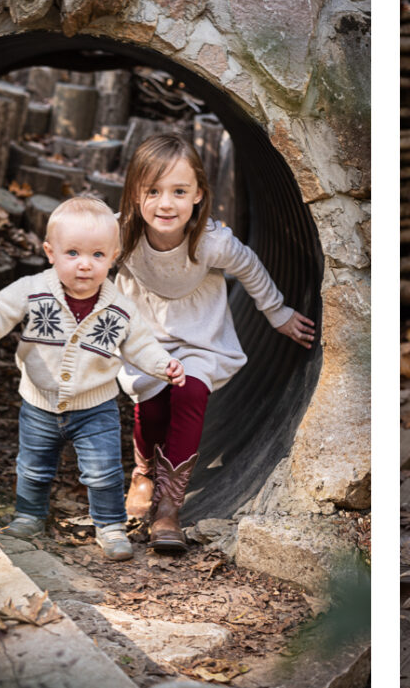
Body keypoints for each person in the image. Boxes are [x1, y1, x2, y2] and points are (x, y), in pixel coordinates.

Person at [115, 133, 316, 552]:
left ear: (198, 196)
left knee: (189, 393)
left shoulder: (211, 241)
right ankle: (143, 471)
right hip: (146, 337)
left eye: (179, 191)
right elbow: (87, 261)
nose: (166, 203)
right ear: (135, 194)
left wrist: (277, 313)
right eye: (153, 191)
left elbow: (251, 267)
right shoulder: (123, 238)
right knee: (150, 409)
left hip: (200, 338)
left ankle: (169, 508)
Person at [0, 197, 186, 561]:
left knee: (103, 472)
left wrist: (164, 365)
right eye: (72, 253)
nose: (85, 264)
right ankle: (29, 516)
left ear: (113, 257)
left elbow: (141, 344)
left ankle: (110, 526)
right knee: (33, 468)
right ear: (50, 253)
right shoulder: (33, 290)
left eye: (98, 255)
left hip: (95, 407)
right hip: (39, 403)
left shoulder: (119, 308)